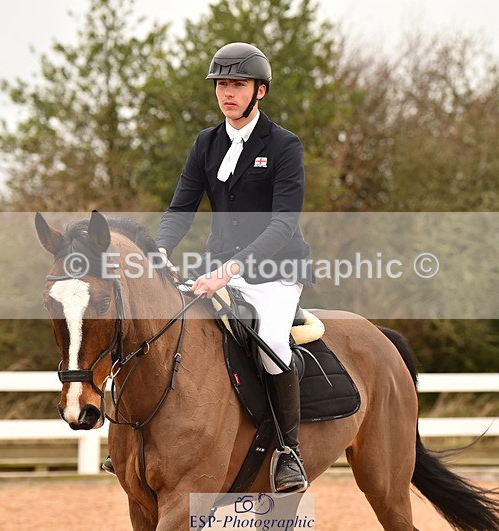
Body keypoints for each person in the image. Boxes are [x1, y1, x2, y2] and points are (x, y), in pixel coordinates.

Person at [155, 42, 313, 493]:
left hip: (275, 271)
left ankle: (289, 453)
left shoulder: (283, 145)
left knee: (270, 347)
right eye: (222, 84)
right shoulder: (206, 143)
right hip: (215, 264)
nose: (228, 93)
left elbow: (284, 223)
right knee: (170, 329)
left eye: (238, 85)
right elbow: (180, 208)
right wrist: (161, 248)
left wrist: (233, 270)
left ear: (259, 91)